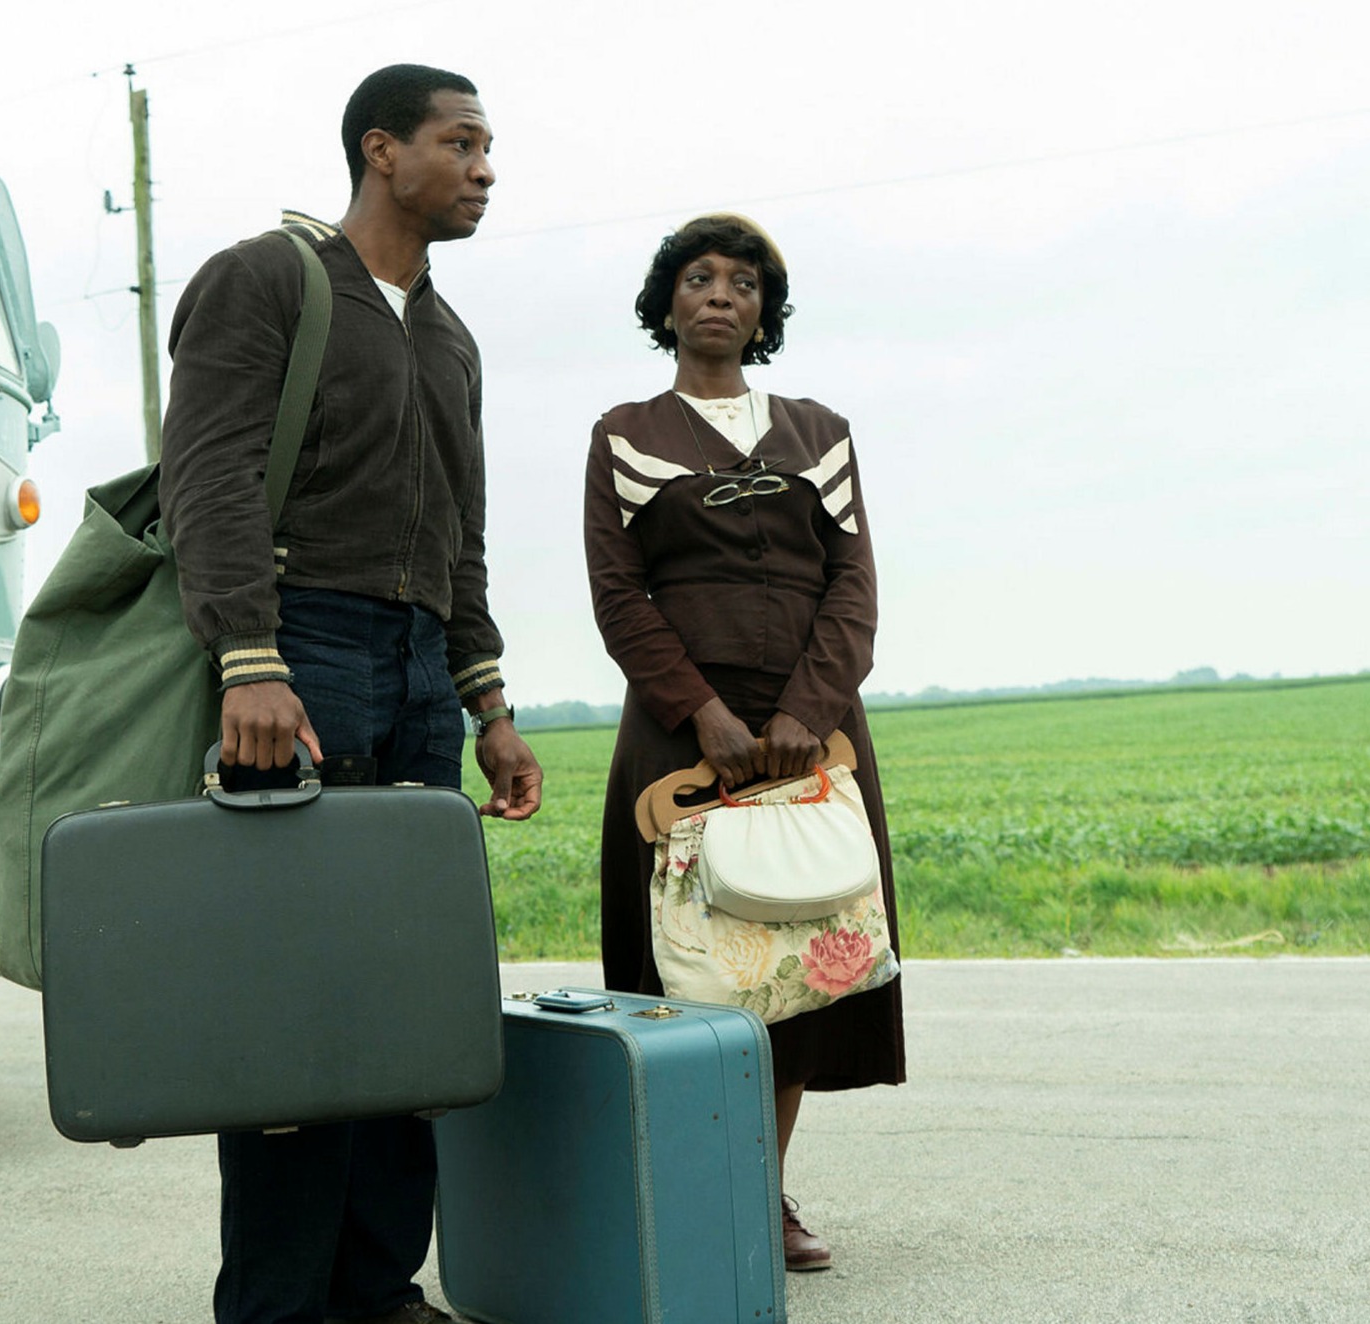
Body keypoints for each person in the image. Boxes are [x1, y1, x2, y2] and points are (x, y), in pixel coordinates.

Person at [157, 63, 544, 1324]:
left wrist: (486, 703)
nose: (486, 168)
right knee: (293, 996)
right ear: (382, 149)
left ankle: (379, 1290)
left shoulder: (450, 335)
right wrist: (248, 657)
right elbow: (203, 473)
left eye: (489, 148)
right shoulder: (268, 277)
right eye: (462, 142)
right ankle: (272, 1307)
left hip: (422, 665)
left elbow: (462, 533)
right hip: (296, 647)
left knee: (407, 992)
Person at [583, 213, 906, 1273]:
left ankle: (760, 1199)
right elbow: (619, 595)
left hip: (812, 737)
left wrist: (807, 710)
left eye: (745, 282)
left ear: (765, 312)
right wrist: (701, 712)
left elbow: (853, 589)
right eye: (698, 277)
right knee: (690, 969)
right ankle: (686, 1197)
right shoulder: (624, 431)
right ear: (665, 302)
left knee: (794, 965)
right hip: (678, 744)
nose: (721, 293)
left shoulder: (822, 429)